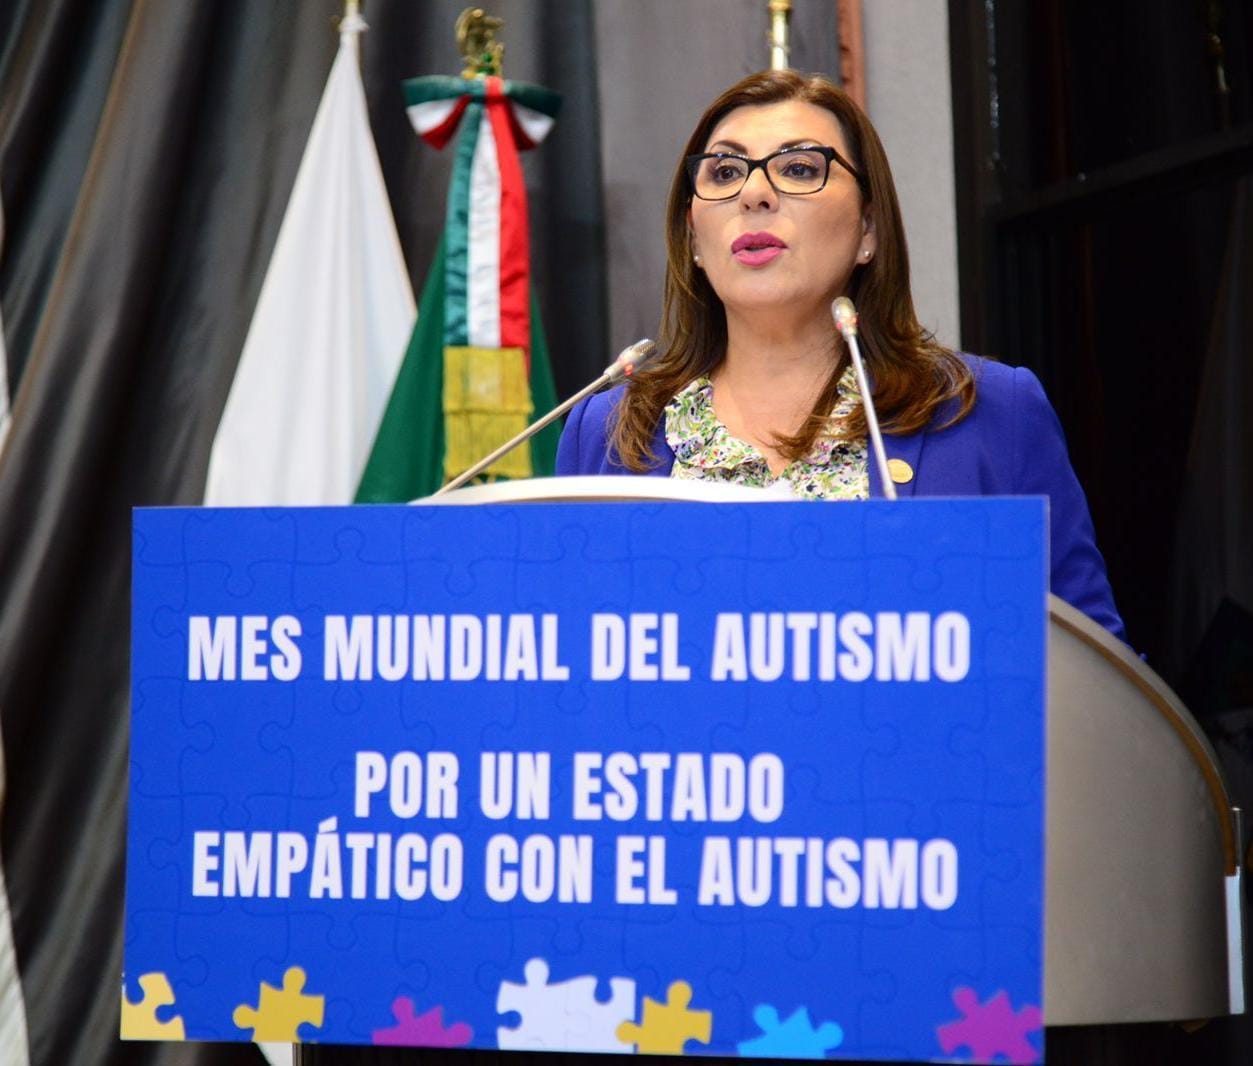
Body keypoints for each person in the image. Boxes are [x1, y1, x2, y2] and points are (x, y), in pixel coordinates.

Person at [556, 69, 1125, 642]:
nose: (754, 193)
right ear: (692, 238)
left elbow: (1091, 662)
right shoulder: (606, 431)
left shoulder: (989, 412)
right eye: (725, 171)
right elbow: (565, 652)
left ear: (868, 230)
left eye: (800, 168)